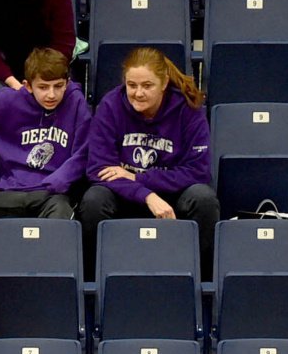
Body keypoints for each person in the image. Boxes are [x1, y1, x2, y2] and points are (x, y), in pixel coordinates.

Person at [79, 47, 219, 280]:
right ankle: (95, 283)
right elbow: (98, 169)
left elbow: (198, 172)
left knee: (203, 199)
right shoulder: (111, 105)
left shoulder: (188, 109)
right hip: (126, 195)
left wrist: (138, 177)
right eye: (132, 85)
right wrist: (146, 194)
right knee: (94, 200)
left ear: (164, 83)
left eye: (147, 86)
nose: (138, 93)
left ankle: (201, 283)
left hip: (172, 195)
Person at [0, 48, 91, 236]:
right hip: (10, 194)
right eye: (43, 87)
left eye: (58, 86)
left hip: (52, 197)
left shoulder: (76, 103)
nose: (51, 94)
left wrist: (57, 182)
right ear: (28, 85)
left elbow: (84, 152)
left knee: (60, 215)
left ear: (67, 83)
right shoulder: (9, 101)